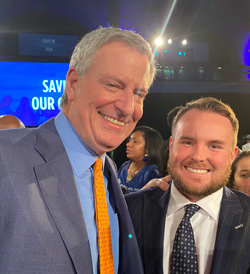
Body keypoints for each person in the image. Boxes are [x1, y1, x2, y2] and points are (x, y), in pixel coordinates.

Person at [0, 27, 156, 274]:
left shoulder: (106, 170)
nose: (128, 108)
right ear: (73, 83)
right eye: (114, 85)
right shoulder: (5, 158)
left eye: (138, 94)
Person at [125, 97, 250, 274]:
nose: (198, 156)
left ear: (232, 155)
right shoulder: (126, 211)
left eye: (214, 145)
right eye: (187, 142)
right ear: (171, 145)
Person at [118, 126, 163, 192]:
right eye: (130, 140)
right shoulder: (124, 166)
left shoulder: (152, 172)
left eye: (135, 141)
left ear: (147, 148)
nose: (128, 144)